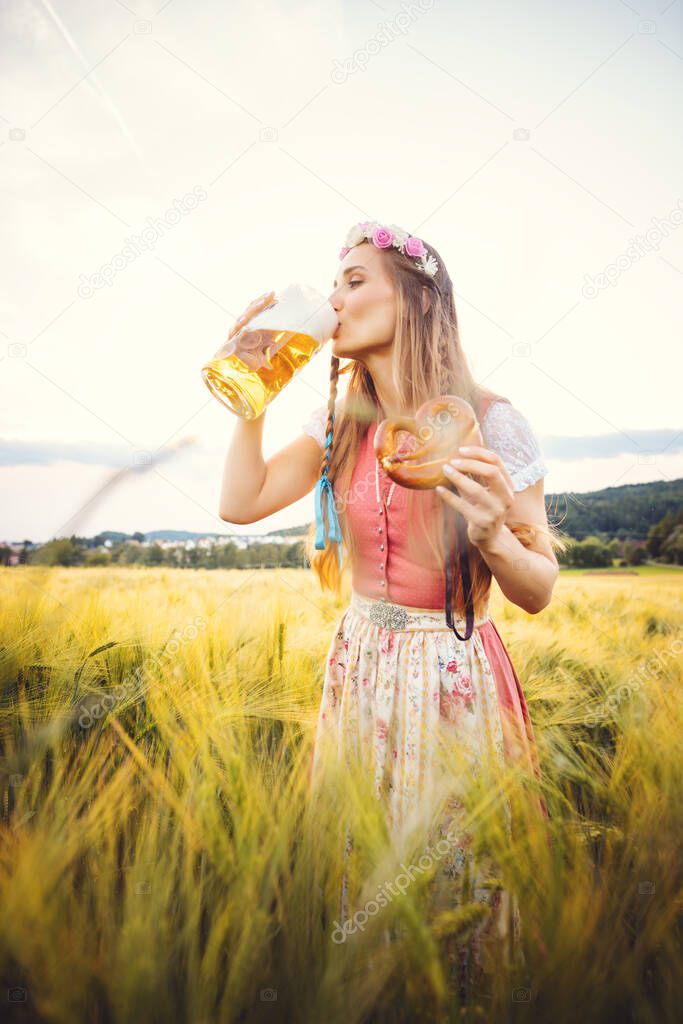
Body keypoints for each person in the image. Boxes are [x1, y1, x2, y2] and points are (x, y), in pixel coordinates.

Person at [219, 220, 565, 994]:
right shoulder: (336, 424)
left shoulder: (490, 419)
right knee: (360, 878)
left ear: (414, 301)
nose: (333, 301)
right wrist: (254, 392)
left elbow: (537, 589)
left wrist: (494, 537)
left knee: (457, 884)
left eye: (352, 282)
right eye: (332, 284)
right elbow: (238, 502)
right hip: (359, 670)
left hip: (452, 669)